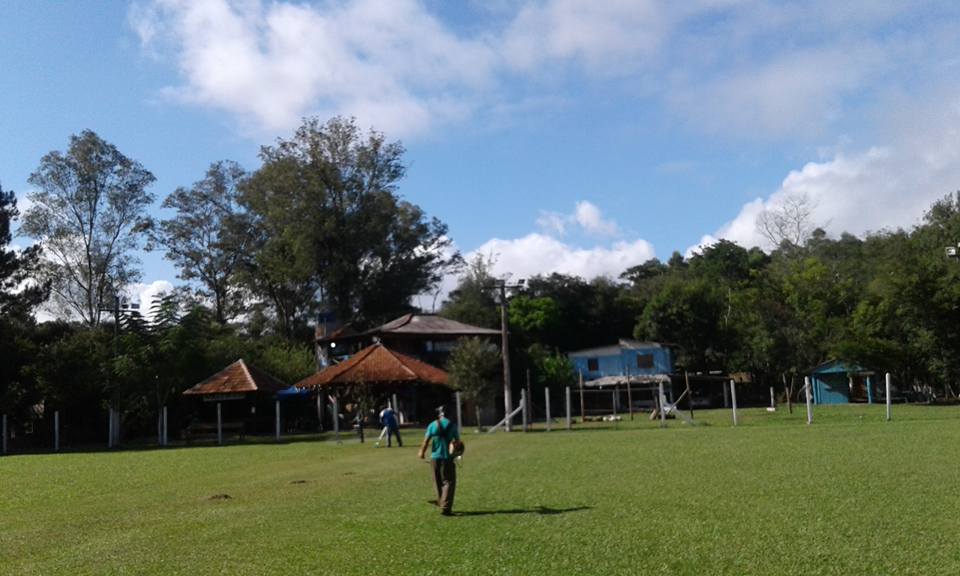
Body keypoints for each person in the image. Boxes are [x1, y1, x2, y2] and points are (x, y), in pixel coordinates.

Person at [418, 406, 459, 516]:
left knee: (438, 482)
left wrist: (421, 452)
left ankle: (442, 502)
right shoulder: (452, 425)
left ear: (439, 414)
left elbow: (426, 441)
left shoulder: (432, 424)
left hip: (434, 458)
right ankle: (445, 506)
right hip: (448, 458)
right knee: (448, 482)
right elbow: (457, 443)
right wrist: (457, 454)